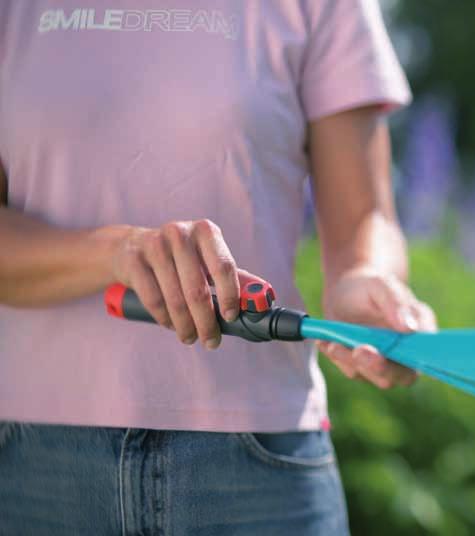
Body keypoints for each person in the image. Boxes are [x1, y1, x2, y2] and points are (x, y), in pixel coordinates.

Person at [0, 1, 436, 534]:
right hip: (28, 471)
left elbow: (366, 218)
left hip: (258, 466)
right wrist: (118, 253)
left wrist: (367, 281)